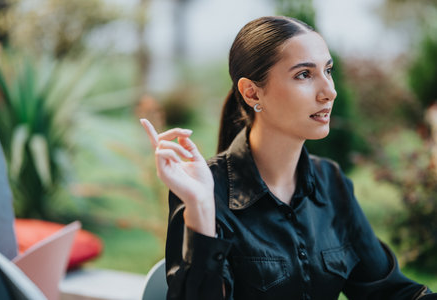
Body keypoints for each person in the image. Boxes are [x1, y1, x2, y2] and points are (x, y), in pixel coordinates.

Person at [141, 16, 437, 300]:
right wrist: (201, 209)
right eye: (304, 74)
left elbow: (390, 291)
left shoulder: (331, 182)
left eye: (328, 70)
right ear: (252, 93)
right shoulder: (204, 190)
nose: (329, 92)